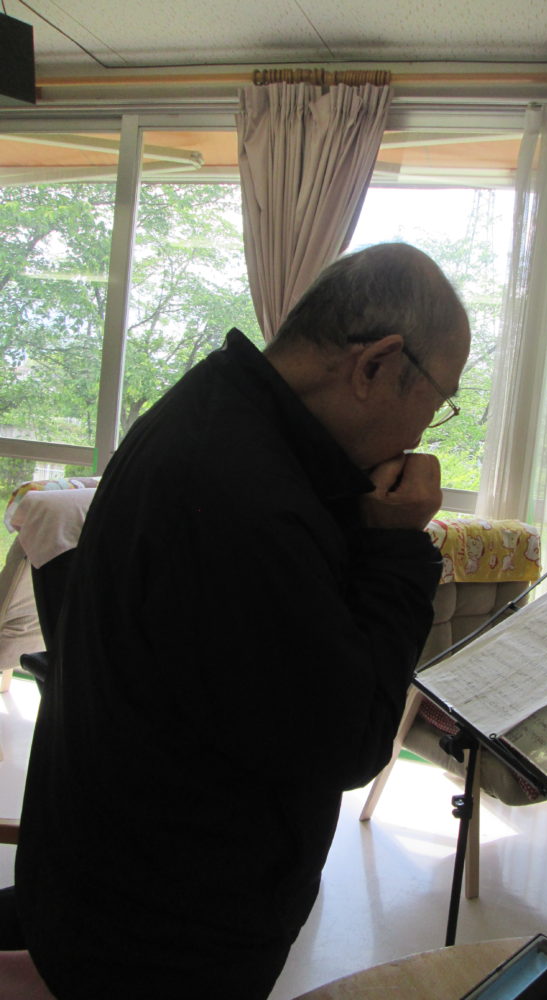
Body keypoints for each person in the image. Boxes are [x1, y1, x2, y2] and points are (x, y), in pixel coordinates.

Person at [7, 242, 471, 999]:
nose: (423, 435)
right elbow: (348, 739)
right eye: (438, 400)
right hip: (159, 936)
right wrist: (395, 548)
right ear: (377, 365)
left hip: (116, 873)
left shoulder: (218, 408)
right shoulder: (247, 495)